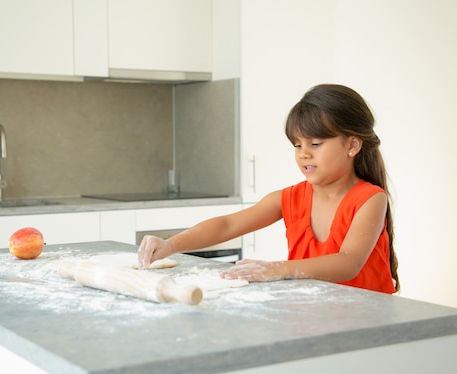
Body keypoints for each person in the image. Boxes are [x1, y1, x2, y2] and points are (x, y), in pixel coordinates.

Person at [138, 84, 399, 294]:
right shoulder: (289, 199)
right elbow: (227, 226)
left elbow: (348, 263)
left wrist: (275, 269)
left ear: (352, 146)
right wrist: (170, 245)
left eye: (316, 144)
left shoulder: (370, 199)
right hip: (315, 313)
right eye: (297, 145)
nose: (304, 154)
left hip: (367, 318)